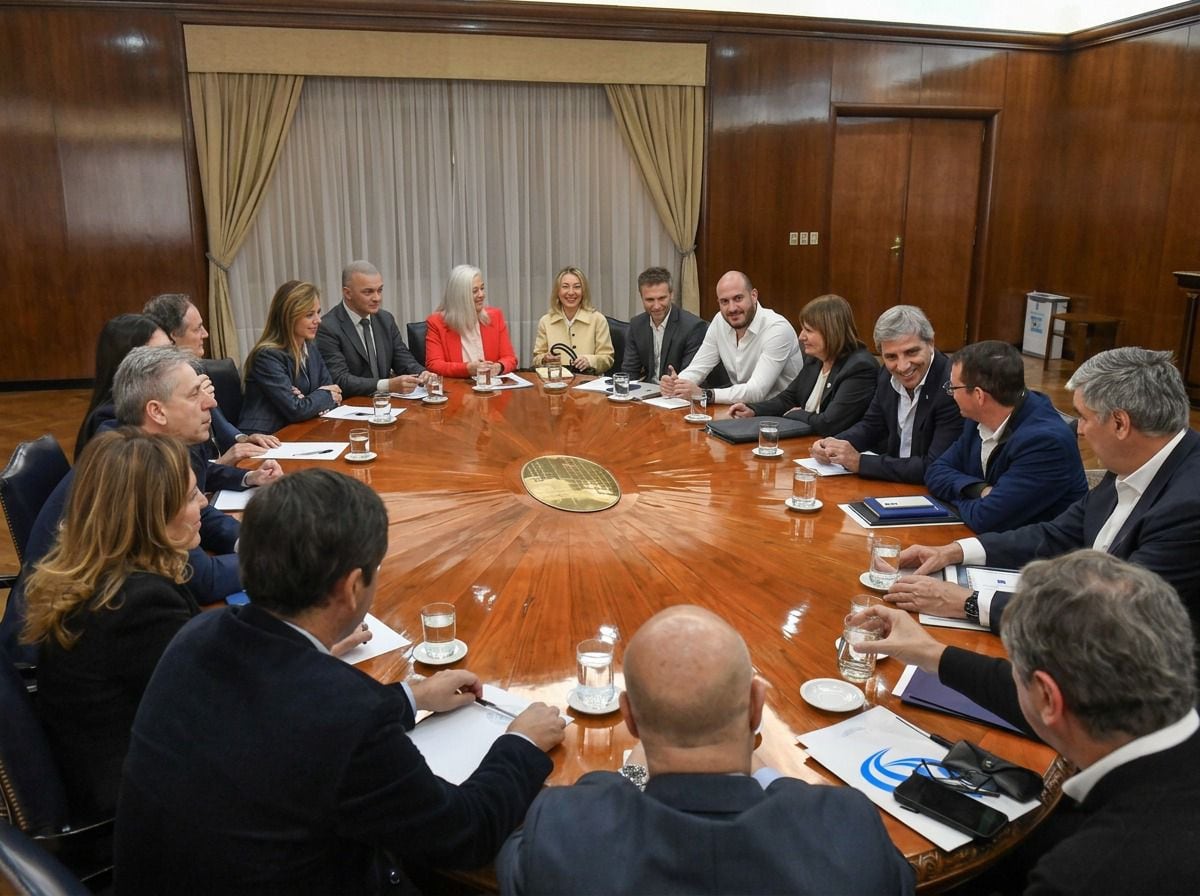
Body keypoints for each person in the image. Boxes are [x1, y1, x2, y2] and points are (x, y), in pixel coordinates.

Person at [115, 469, 566, 894]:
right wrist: (521, 744)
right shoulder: (346, 717)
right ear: (352, 588)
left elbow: (285, 719)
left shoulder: (196, 636)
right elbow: (465, 834)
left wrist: (413, 697)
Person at [496, 605, 915, 895]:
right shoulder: (849, 829)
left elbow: (516, 864)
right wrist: (768, 775)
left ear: (630, 719)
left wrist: (630, 776)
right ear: (756, 707)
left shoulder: (563, 831)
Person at [856, 550, 1200, 895]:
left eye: (1015, 670)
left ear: (1048, 697)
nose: (1010, 676)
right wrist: (931, 653)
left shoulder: (1082, 877)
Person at [887, 347, 1200, 634]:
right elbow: (1056, 534)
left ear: (1120, 424)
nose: (1078, 430)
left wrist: (969, 603)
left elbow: (1112, 615)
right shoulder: (1133, 460)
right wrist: (954, 551)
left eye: (1084, 417)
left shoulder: (1187, 507)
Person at [22, 429, 204, 822]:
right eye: (191, 496)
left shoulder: (99, 576)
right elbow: (211, 711)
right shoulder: (138, 605)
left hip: (108, 769)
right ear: (153, 515)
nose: (203, 502)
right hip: (140, 811)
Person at [29, 346, 282, 603]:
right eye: (194, 394)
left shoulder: (142, 447)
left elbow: (200, 514)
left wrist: (252, 541)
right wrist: (276, 558)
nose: (211, 402)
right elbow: (201, 578)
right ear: (157, 412)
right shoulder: (132, 469)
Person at [925, 340, 1087, 533]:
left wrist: (953, 497)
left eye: (953, 388)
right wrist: (979, 490)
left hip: (1037, 549)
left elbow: (985, 518)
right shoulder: (977, 418)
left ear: (978, 395)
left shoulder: (1045, 443)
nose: (951, 394)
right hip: (989, 536)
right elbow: (935, 471)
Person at [810, 305, 961, 484]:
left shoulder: (952, 386)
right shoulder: (886, 374)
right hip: (893, 483)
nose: (902, 366)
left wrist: (860, 462)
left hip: (930, 490)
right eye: (891, 357)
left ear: (931, 343)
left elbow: (934, 466)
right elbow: (871, 426)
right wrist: (832, 444)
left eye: (911, 352)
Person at [143, 292, 279, 457]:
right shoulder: (150, 382)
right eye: (197, 328)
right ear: (173, 336)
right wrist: (223, 462)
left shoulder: (196, 367)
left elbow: (218, 421)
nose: (205, 334)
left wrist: (243, 439)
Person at [729, 293, 879, 435]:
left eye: (808, 330)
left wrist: (797, 414)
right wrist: (753, 410)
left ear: (830, 332)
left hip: (834, 447)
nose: (801, 337)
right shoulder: (816, 359)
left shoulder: (859, 368)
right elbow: (788, 399)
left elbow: (830, 423)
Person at [660, 270, 803, 404]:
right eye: (724, 301)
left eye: (738, 298)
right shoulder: (720, 321)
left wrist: (705, 394)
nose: (732, 308)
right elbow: (698, 367)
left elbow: (756, 391)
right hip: (741, 408)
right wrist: (677, 384)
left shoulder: (777, 329)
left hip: (781, 413)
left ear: (754, 296)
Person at [240, 280, 343, 434]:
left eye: (318, 312)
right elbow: (296, 410)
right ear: (288, 317)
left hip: (300, 430)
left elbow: (334, 394)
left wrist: (308, 401)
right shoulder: (267, 356)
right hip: (264, 436)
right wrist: (315, 399)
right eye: (309, 315)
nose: (318, 320)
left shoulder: (310, 347)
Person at [315, 260, 430, 397]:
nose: (377, 298)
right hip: (353, 403)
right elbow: (340, 379)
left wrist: (422, 373)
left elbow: (402, 358)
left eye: (379, 290)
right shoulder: (328, 327)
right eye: (368, 292)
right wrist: (387, 385)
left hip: (386, 403)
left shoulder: (385, 319)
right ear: (347, 293)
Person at [74, 313, 171, 459]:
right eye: (160, 356)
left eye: (171, 351)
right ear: (128, 365)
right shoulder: (110, 420)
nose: (173, 362)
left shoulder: (154, 397)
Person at [619, 266, 721, 386]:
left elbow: (691, 376)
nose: (656, 306)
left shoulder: (693, 327)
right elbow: (629, 371)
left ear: (671, 295)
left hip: (678, 390)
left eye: (662, 298)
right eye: (650, 300)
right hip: (647, 391)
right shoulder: (637, 324)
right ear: (641, 297)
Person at [425, 264, 519, 379]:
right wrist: (468, 369)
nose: (482, 295)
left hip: (491, 386)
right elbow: (434, 365)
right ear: (459, 296)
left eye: (482, 288)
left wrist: (499, 367)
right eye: (475, 291)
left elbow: (510, 358)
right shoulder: (436, 322)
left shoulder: (495, 316)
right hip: (457, 387)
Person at [532, 267, 614, 373]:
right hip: (556, 380)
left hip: (588, 380)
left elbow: (608, 358)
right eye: (565, 287)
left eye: (577, 287)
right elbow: (536, 358)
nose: (571, 292)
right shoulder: (546, 321)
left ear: (583, 291)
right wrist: (544, 359)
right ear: (558, 291)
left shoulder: (598, 320)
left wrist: (590, 361)